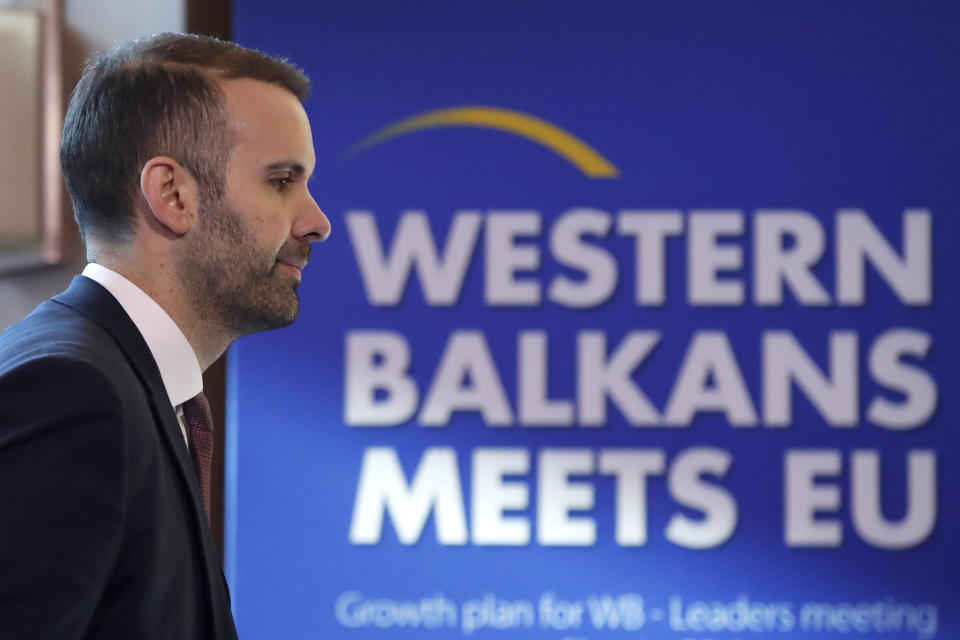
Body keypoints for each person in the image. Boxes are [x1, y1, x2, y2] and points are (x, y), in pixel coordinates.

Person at [0, 33, 330, 639]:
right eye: (283, 180)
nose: (317, 222)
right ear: (173, 196)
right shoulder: (71, 393)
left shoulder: (123, 385)